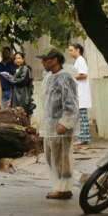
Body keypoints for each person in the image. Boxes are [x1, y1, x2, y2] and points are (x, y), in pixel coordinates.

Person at [37, 49, 79, 200]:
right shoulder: (49, 78)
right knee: (51, 158)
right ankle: (59, 186)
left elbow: (72, 103)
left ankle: (64, 189)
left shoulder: (65, 78)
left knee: (62, 158)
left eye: (45, 59)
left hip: (61, 125)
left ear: (55, 60)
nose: (43, 62)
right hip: (50, 125)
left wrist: (66, 122)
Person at [68, 43, 92, 145]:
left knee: (82, 116)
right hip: (79, 92)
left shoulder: (81, 60)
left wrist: (71, 77)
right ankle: (83, 137)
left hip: (81, 92)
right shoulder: (78, 61)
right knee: (81, 116)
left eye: (71, 50)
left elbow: (83, 75)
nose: (70, 52)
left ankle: (84, 138)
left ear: (78, 50)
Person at [0, 52, 35, 116]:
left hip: (22, 95)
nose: (17, 60)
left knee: (22, 115)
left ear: (23, 59)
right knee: (16, 115)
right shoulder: (17, 69)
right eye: (15, 58)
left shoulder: (25, 69)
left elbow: (22, 81)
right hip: (16, 95)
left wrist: (10, 78)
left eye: (19, 58)